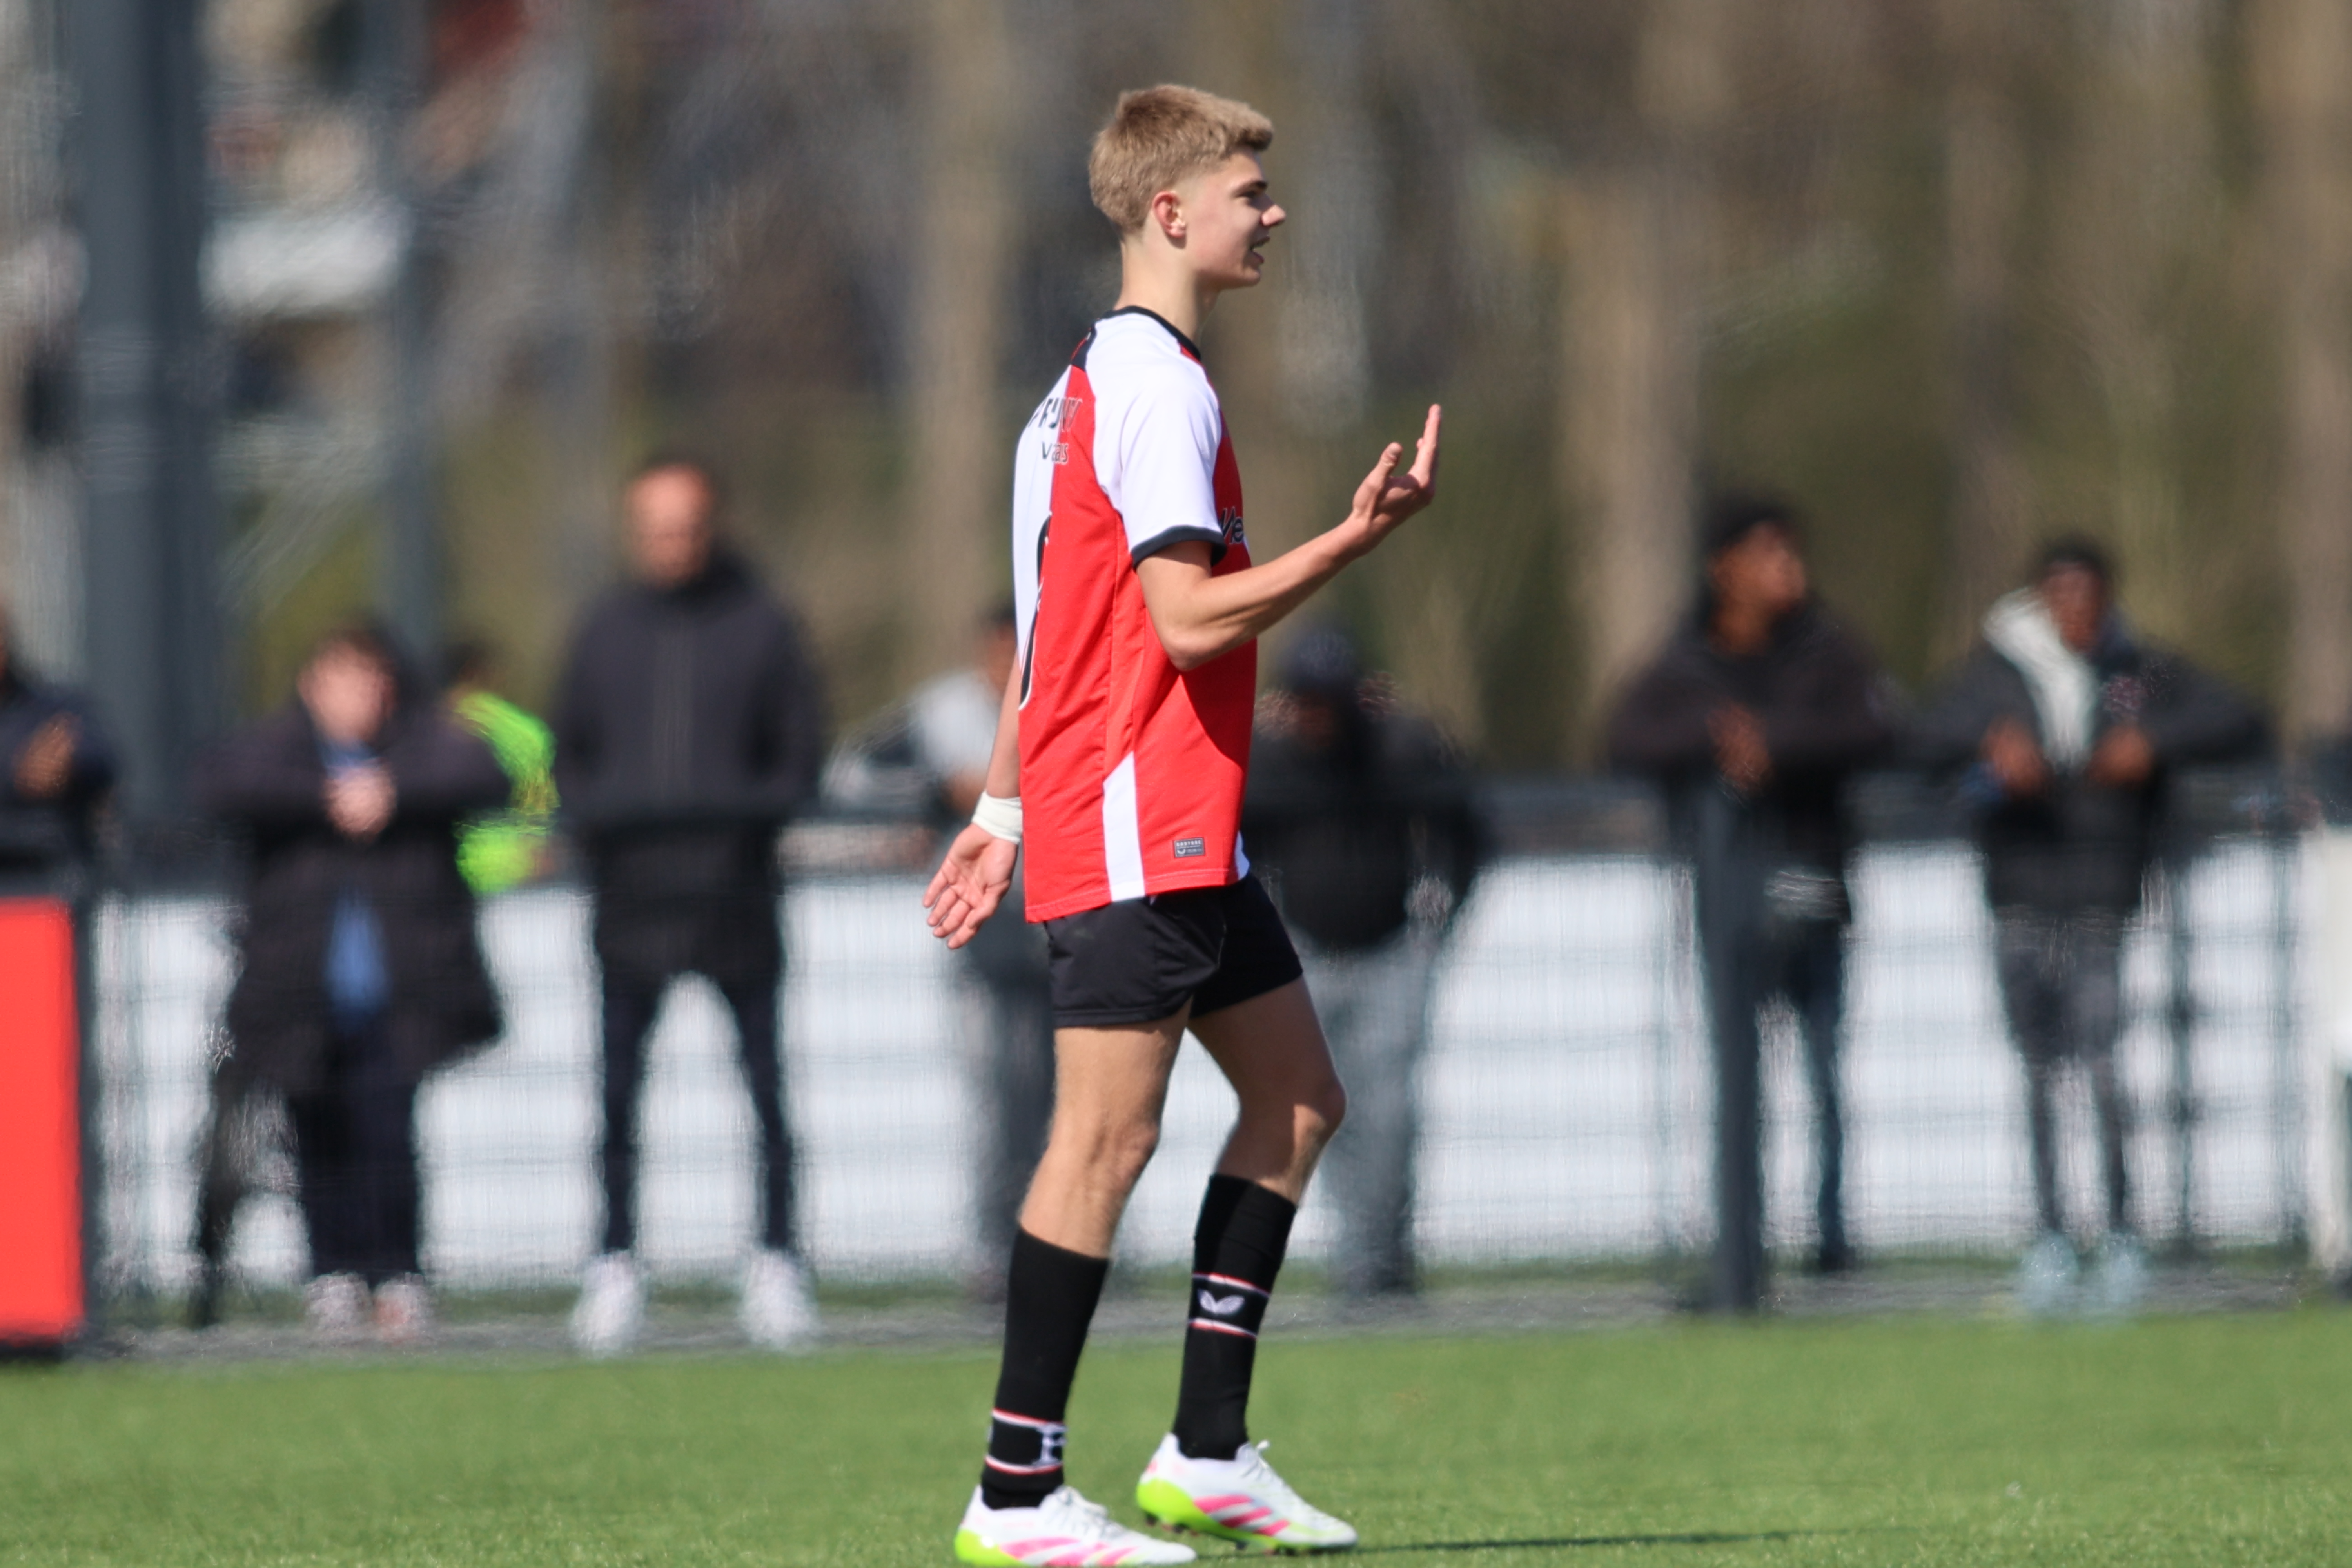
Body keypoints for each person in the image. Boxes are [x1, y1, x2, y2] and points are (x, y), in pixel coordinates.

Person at [924, 85, 1442, 1564]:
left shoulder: (1087, 382)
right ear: (1170, 214)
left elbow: (1052, 630)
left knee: (1292, 1101)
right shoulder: (1156, 384)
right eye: (1246, 193)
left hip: (1164, 818)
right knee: (1104, 1139)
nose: (1269, 213)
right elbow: (1184, 616)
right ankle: (1015, 1491)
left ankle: (1205, 1451)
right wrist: (1355, 536)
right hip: (1138, 816)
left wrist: (999, 805)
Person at [1913, 536, 2263, 1314]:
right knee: (2040, 1068)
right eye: (2061, 595)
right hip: (2022, 887)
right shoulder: (1992, 674)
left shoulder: (2140, 671)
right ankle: (2050, 1235)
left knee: (2102, 1063)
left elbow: (2241, 715)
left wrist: (2154, 743)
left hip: (2105, 884)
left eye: (2089, 596)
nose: (2076, 611)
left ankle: (2120, 1232)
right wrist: (1989, 760)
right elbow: (1918, 746)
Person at [552, 455, 828, 1355]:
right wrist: (607, 826)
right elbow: (570, 754)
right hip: (631, 901)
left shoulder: (763, 624)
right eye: (656, 525)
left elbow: (798, 754)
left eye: (688, 524)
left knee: (765, 1089)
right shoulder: (602, 631)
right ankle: (614, 1265)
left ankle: (778, 1263)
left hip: (735, 897)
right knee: (618, 1093)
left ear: (713, 524)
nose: (673, 541)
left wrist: (736, 824)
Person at [1608, 496, 1895, 1312]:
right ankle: (1741, 1256)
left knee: (1826, 1071)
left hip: (1815, 884)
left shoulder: (1828, 650)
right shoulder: (1687, 660)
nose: (1790, 573)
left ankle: (1832, 1245)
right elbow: (1624, 737)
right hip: (1726, 895)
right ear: (1724, 566)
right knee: (1736, 1077)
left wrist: (1778, 747)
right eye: (1771, 555)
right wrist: (1714, 739)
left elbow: (1879, 729)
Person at [194, 624, 508, 1342]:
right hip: (300, 990)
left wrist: (392, 793)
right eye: (344, 678)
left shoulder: (420, 747)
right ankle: (331, 1275)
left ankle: (398, 1273)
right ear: (312, 683)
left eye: (371, 680)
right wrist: (325, 798)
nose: (359, 696)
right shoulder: (278, 750)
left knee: (389, 1134)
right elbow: (216, 781)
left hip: (397, 992)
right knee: (317, 1137)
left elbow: (486, 773)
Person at [1242, 626, 1484, 1301]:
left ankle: (1383, 1260)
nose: (1318, 716)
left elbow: (1465, 828)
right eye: (1307, 702)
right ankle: (1360, 1259)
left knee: (1389, 1111)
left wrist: (1438, 918)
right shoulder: (1268, 760)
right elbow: (1236, 847)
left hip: (1391, 952)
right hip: (1305, 956)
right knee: (1325, 1112)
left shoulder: (1402, 747)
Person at [826, 602, 1054, 1296]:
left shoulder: (1075, 697)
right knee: (997, 1103)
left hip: (1067, 934)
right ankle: (995, 1258)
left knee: (1081, 1106)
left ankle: (1076, 1257)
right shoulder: (941, 714)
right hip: (980, 943)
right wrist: (933, 795)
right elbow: (848, 775)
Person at [0, 610, 116, 874]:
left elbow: (101, 758)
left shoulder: (51, 707)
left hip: (47, 880)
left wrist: (68, 767)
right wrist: (15, 776)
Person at [441, 640, 559, 896]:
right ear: (490, 674)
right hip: (515, 875)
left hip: (448, 875)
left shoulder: (430, 730)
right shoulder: (526, 732)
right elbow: (542, 811)